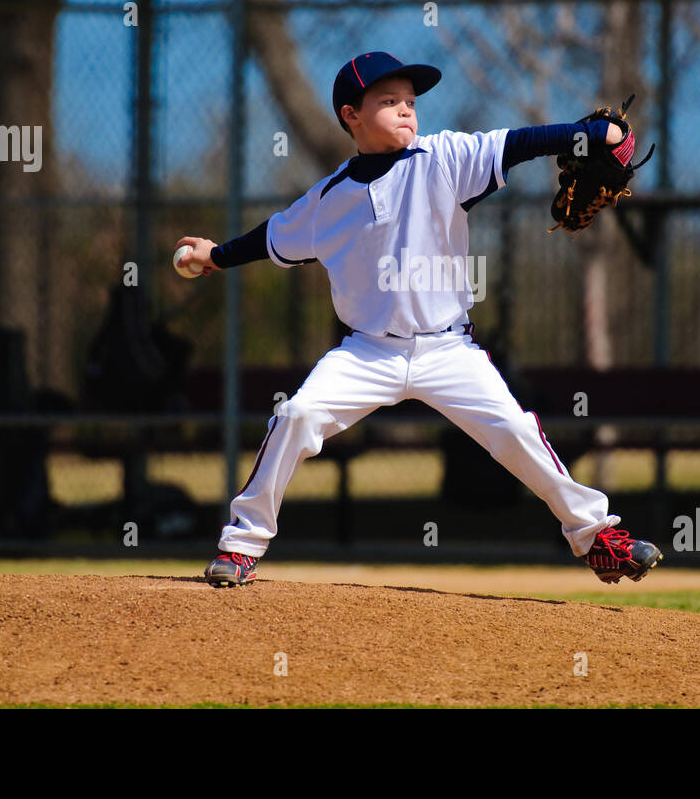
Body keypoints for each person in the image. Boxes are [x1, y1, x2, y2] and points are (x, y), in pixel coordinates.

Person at [175, 51, 663, 586]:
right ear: (350, 115)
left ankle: (597, 538)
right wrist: (215, 256)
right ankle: (242, 544)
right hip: (367, 353)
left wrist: (582, 134)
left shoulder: (443, 158)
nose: (407, 110)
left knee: (518, 432)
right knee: (296, 417)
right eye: (388, 101)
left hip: (448, 351)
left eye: (411, 101)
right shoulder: (328, 200)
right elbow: (271, 237)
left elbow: (519, 143)